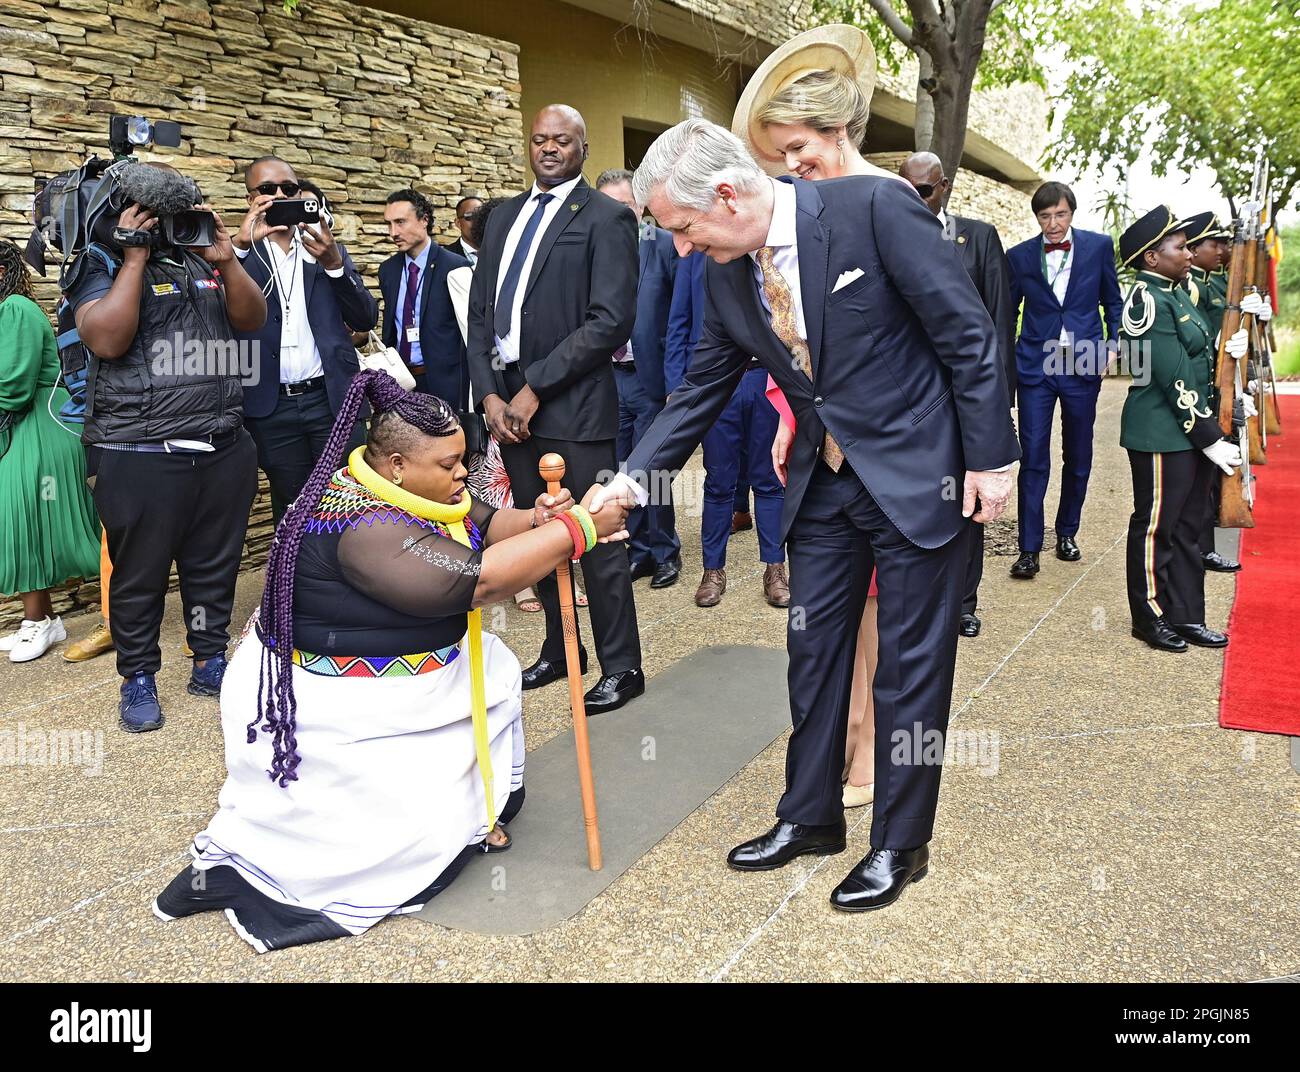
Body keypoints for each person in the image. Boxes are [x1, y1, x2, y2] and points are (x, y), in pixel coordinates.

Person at [598, 111, 1019, 912]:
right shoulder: (728, 270)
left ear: (726, 194)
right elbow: (697, 390)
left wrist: (991, 459)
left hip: (918, 478)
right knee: (814, 655)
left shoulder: (874, 208)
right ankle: (810, 818)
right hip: (820, 485)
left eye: (683, 228)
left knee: (910, 671)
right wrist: (629, 483)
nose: (682, 248)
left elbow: (969, 336)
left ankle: (901, 844)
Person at [152, 369, 630, 952]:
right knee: (382, 839)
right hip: (341, 699)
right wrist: (577, 528)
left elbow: (481, 521)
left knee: (496, 671)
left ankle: (472, 811)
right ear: (399, 464)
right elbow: (473, 583)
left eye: (463, 460)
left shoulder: (408, 487)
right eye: (451, 465)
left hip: (397, 670)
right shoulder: (365, 524)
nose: (463, 475)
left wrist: (539, 520)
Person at [742, 43, 903, 804]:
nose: (793, 166)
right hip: (819, 457)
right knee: (824, 619)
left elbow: (939, 347)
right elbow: (802, 341)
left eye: (800, 149)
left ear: (840, 129)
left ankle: (871, 743)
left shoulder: (890, 205)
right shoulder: (803, 217)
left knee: (877, 612)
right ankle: (833, 739)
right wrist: (787, 413)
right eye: (782, 155)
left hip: (894, 461)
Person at [69, 163, 265, 732]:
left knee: (213, 566)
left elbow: (251, 319)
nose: (168, 227)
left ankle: (209, 660)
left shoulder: (199, 258)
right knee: (141, 573)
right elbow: (106, 338)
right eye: (156, 217)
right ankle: (138, 677)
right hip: (138, 449)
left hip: (222, 441)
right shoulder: (98, 262)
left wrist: (226, 259)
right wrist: (133, 257)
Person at [468, 103, 644, 715]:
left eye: (561, 140)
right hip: (507, 406)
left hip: (574, 407)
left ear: (582, 146)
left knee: (597, 536)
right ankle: (559, 649)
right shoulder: (504, 217)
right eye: (539, 140)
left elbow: (609, 321)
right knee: (535, 529)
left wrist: (535, 386)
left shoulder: (608, 218)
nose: (548, 149)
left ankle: (623, 666)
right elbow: (480, 314)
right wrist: (489, 392)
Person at [1117, 206, 1245, 653]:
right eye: (1179, 246)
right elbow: (1170, 378)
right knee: (1156, 527)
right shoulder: (1147, 301)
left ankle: (1186, 614)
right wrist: (1210, 437)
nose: (1189, 252)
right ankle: (1149, 617)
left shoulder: (1177, 294)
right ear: (1152, 258)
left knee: (1190, 526)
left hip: (1190, 429)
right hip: (1160, 431)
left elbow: (1198, 357)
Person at [899, 151, 1015, 638]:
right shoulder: (892, 231)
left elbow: (997, 322)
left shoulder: (979, 236)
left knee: (969, 504)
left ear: (944, 187)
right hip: (912, 397)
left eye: (924, 191)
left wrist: (996, 400)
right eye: (907, 190)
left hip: (965, 396)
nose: (916, 200)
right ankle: (923, 598)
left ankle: (964, 601)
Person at [233, 156, 378, 525]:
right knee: (293, 505)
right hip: (271, 406)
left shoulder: (324, 247)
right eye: (267, 190)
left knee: (350, 500)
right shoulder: (238, 255)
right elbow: (217, 318)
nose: (279, 196)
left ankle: (349, 580)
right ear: (251, 197)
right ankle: (297, 582)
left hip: (331, 401)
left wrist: (333, 264)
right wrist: (238, 249)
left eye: (289, 188)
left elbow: (364, 319)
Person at [1006, 180, 1123, 579]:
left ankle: (1067, 533)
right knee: (1033, 457)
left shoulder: (1098, 246)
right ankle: (1029, 548)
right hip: (1036, 368)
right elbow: (1008, 312)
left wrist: (1112, 346)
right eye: (1045, 216)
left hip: (1082, 363)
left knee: (1078, 455)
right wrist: (1006, 366)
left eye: (1060, 215)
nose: (1053, 224)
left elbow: (1113, 301)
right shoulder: (1019, 256)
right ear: (1036, 217)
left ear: (1072, 212)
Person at [667, 248, 788, 608]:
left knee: (770, 477)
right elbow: (678, 321)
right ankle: (713, 571)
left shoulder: (772, 254)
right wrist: (677, 386)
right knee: (719, 479)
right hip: (717, 382)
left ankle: (776, 569)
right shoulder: (696, 259)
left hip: (767, 376)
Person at [0, 239, 100, 662]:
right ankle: (40, 619)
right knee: (21, 523)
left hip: (41, 427)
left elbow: (13, 385)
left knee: (30, 518)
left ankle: (46, 621)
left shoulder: (16, 310)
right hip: (22, 430)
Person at [596, 167, 683, 590]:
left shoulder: (663, 245)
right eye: (611, 206)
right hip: (611, 377)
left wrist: (674, 383)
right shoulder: (595, 253)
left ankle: (666, 550)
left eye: (627, 205)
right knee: (620, 468)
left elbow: (681, 316)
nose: (621, 214)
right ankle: (641, 551)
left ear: (641, 206)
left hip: (652, 378)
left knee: (654, 470)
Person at [1181, 212, 1241, 573]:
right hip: (1200, 389)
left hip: (1216, 384)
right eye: (1213, 244)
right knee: (1199, 478)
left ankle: (1204, 544)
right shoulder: (1190, 287)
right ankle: (1201, 546)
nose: (1220, 250)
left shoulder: (1210, 284)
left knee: (1208, 475)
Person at [379, 188, 471, 407]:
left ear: (424, 220)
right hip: (402, 384)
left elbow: (470, 332)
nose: (393, 232)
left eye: (400, 222)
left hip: (447, 385)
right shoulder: (388, 270)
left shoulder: (456, 267)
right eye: (389, 224)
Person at [444, 195, 483, 265]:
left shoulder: (499, 252)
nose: (477, 221)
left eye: (481, 215)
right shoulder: (445, 257)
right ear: (458, 223)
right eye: (470, 216)